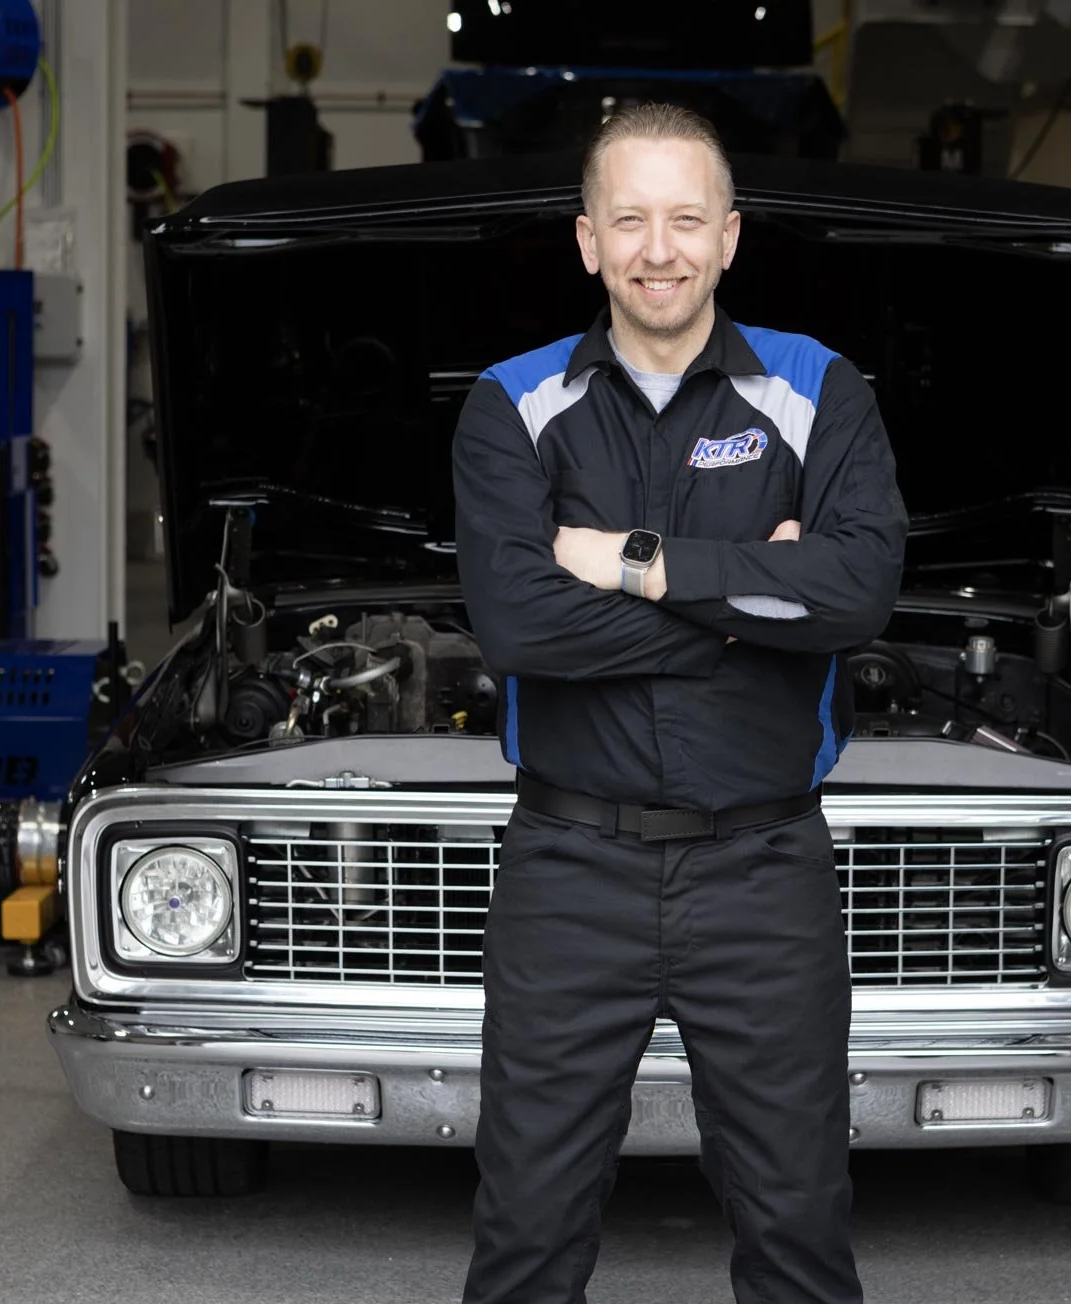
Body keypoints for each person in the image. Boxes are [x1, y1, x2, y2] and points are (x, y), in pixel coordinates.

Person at [451, 102, 908, 1304]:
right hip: (568, 873)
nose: (662, 248)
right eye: (633, 219)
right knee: (528, 1235)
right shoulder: (510, 403)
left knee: (800, 1229)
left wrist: (642, 562)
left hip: (765, 871)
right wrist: (756, 601)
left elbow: (859, 588)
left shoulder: (819, 388)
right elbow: (517, 624)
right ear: (589, 240)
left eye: (688, 219)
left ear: (732, 236)